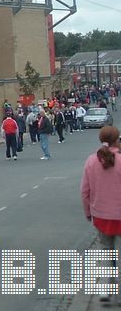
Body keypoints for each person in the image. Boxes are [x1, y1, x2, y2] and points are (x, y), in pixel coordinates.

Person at [80, 126, 121, 303]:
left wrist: (88, 212)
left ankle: (105, 289)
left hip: (101, 216)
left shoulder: (91, 161)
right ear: (117, 140)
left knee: (105, 252)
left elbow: (84, 191)